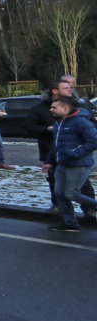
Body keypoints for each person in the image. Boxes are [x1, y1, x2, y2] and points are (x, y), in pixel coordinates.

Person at [25, 85, 96, 213]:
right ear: (55, 91)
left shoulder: (79, 111)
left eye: (70, 86)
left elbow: (92, 136)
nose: (70, 89)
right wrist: (47, 131)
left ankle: (90, 209)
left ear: (66, 108)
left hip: (76, 159)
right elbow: (29, 127)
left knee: (78, 188)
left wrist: (75, 153)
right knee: (58, 188)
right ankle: (66, 218)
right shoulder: (40, 109)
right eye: (66, 87)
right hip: (52, 152)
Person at [43, 96, 97, 232]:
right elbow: (56, 146)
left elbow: (93, 141)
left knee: (72, 194)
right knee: (60, 194)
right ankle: (70, 223)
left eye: (54, 107)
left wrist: (74, 153)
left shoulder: (81, 122)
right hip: (62, 164)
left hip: (79, 164)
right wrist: (49, 161)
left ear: (66, 108)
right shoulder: (58, 123)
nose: (51, 109)